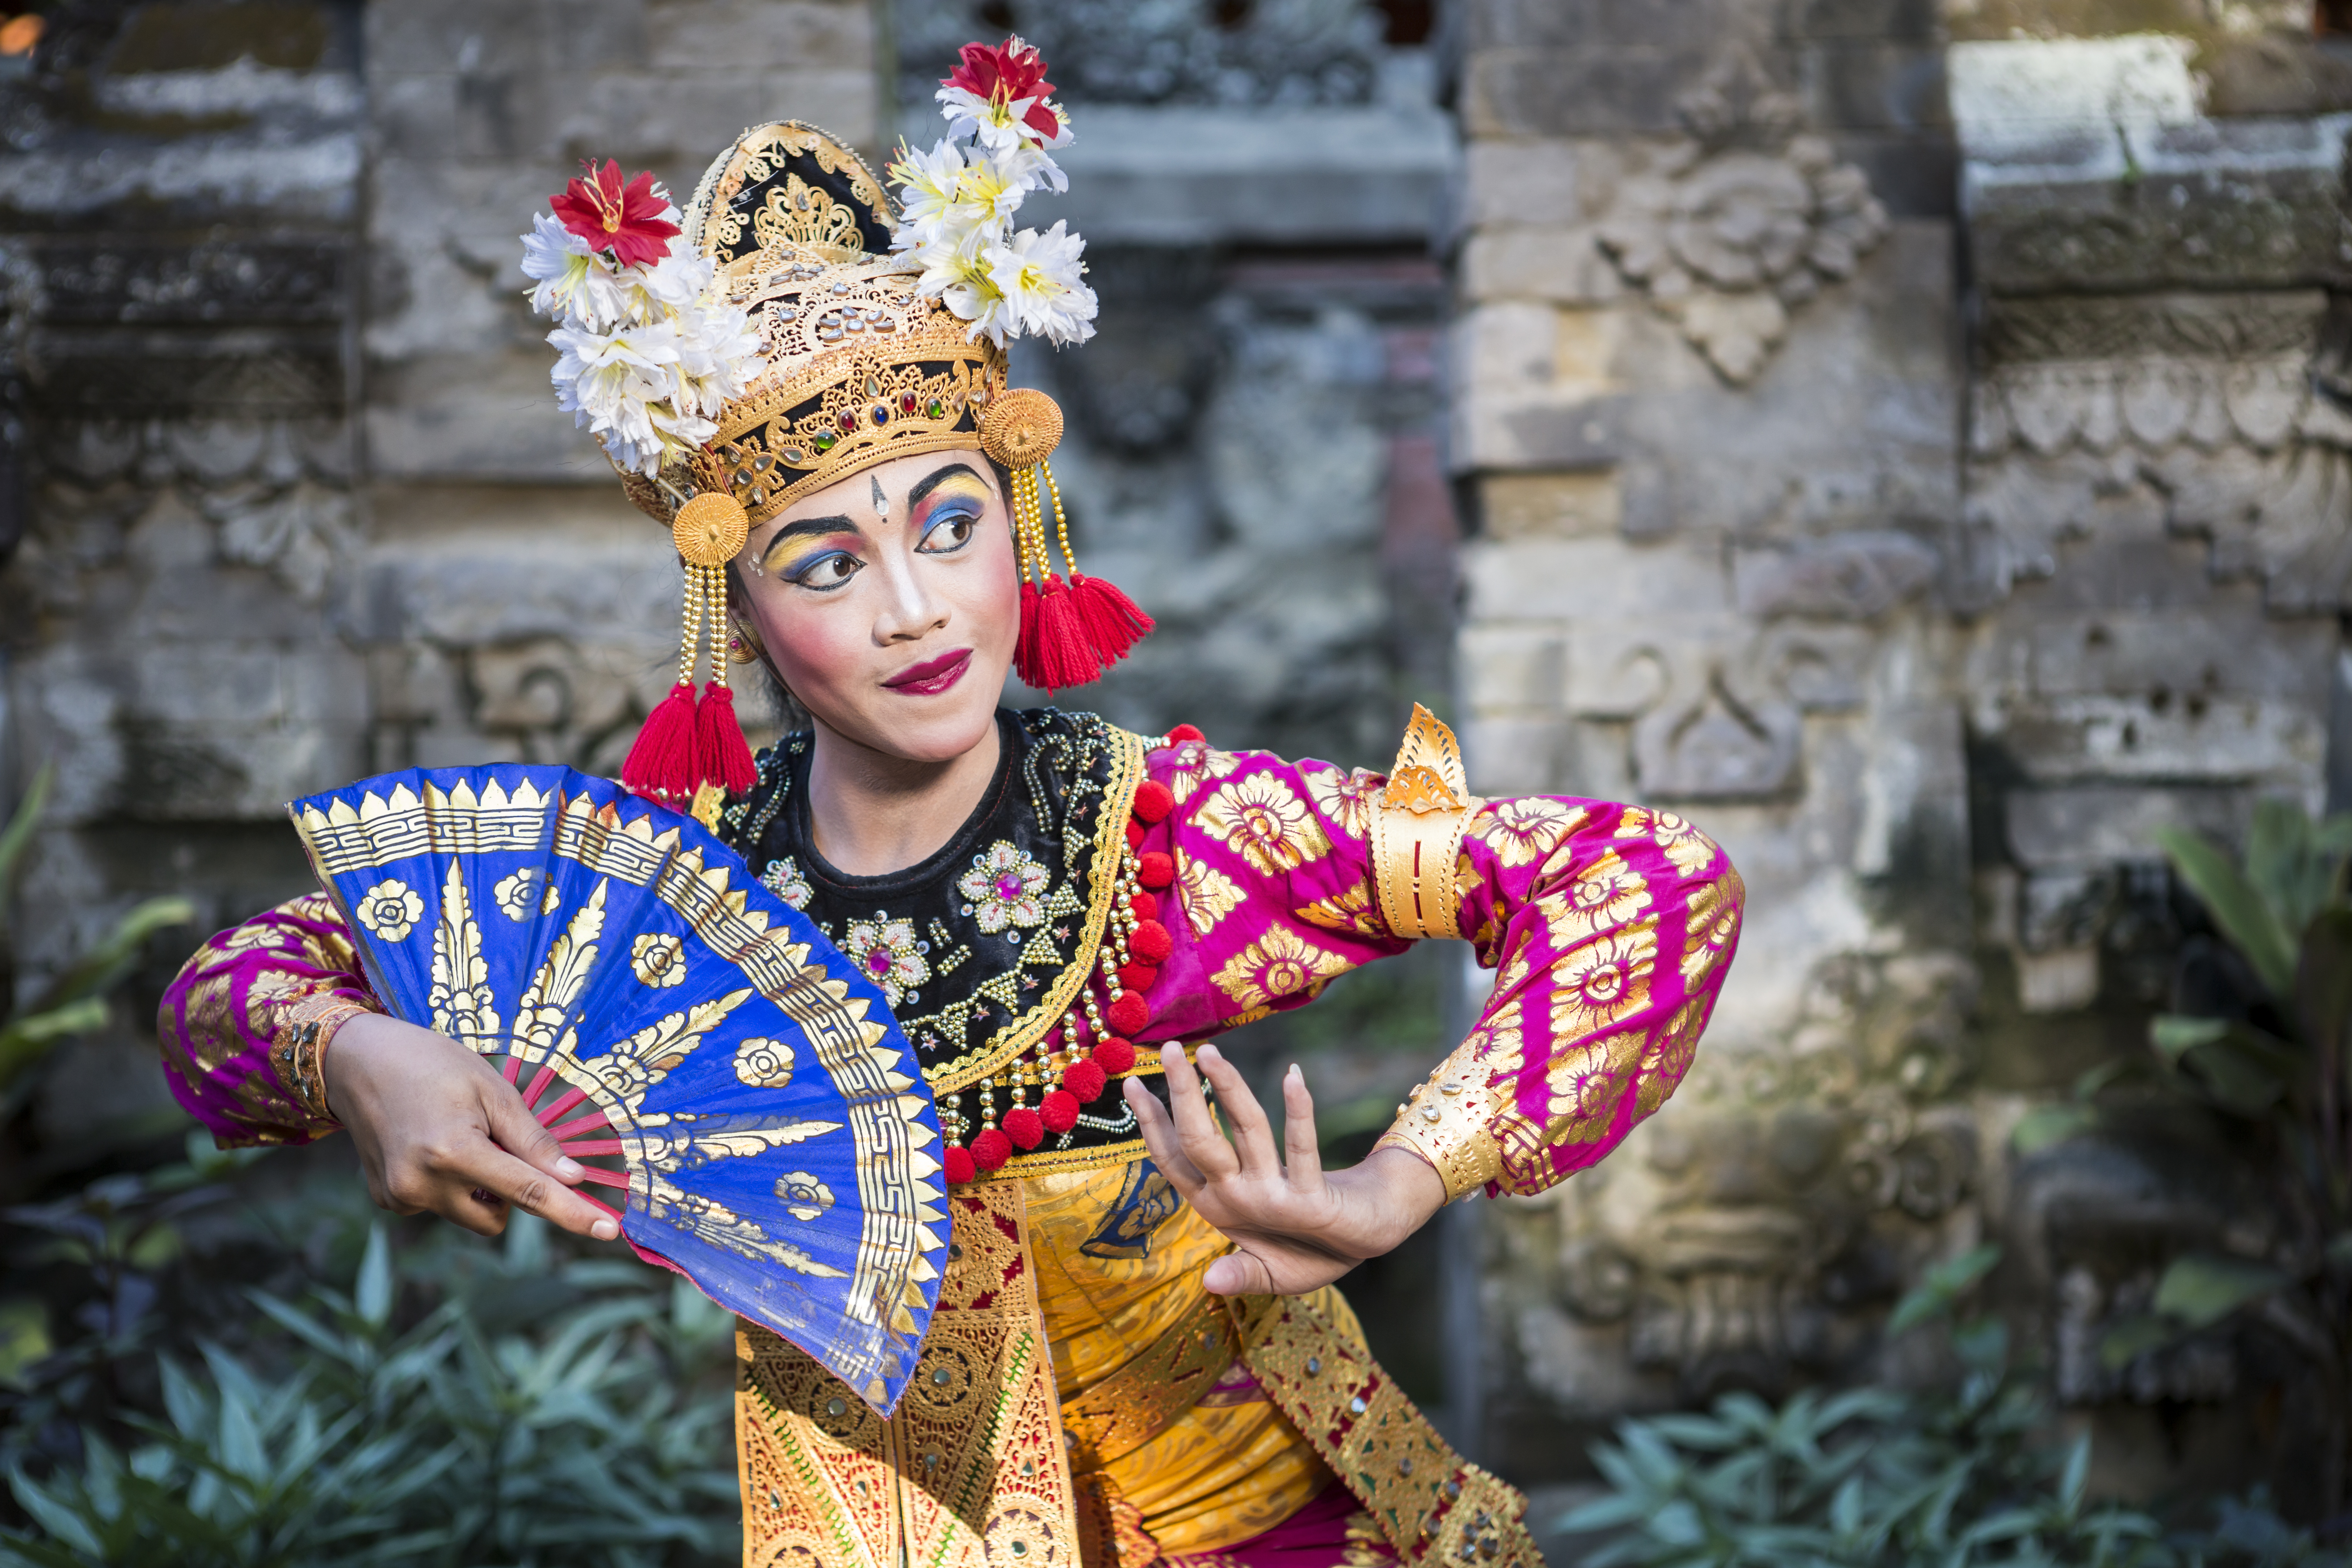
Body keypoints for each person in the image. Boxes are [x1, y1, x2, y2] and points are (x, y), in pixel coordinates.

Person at [157, 43, 1743, 1568]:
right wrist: (357, 1053)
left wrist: (1400, 1183)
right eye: (826, 565)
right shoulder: (669, 906)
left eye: (950, 525)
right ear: (739, 613)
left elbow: (1646, 882)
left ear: (1019, 521)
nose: (916, 610)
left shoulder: (1165, 842)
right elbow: (230, 993)